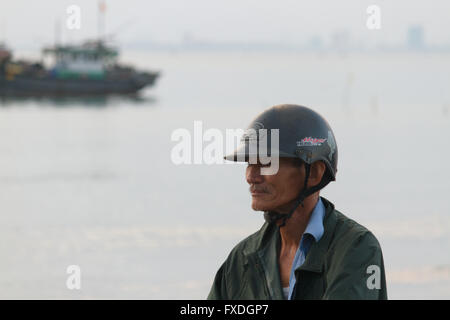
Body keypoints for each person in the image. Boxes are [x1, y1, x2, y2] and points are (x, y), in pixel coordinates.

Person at [207, 104, 387, 300]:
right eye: (250, 163)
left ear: (315, 173)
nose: (251, 176)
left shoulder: (357, 248)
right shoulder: (240, 260)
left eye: (267, 162)